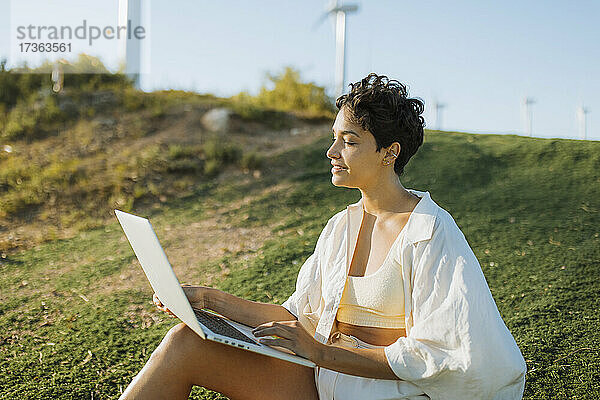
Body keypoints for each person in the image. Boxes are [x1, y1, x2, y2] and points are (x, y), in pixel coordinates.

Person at [119, 74, 527, 400]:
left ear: (390, 152)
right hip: (321, 384)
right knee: (185, 342)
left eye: (348, 142)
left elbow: (439, 355)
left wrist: (319, 353)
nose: (332, 151)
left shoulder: (431, 234)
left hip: (387, 395)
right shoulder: (340, 227)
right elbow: (301, 316)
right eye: (334, 138)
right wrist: (211, 302)